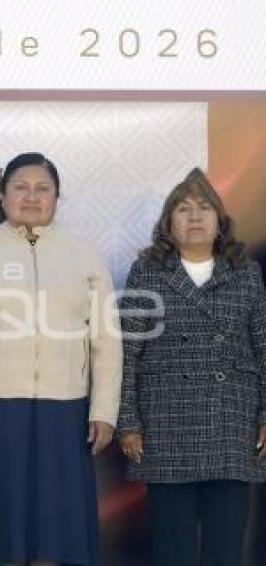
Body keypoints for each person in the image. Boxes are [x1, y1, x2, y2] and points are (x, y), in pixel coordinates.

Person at [0, 152, 122, 566]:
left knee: (54, 538)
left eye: (43, 189)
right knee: (2, 540)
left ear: (58, 197)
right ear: (3, 196)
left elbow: (107, 342)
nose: (32, 197)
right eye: (21, 187)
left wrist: (105, 409)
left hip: (65, 413)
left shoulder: (83, 255)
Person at [117, 168, 266, 566]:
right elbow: (126, 351)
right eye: (184, 209)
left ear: (220, 222)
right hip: (165, 428)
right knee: (172, 550)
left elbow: (263, 347)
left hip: (233, 425)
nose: (195, 216)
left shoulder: (246, 274)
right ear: (169, 224)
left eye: (204, 208)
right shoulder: (147, 272)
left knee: (226, 550)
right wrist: (128, 422)